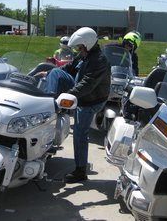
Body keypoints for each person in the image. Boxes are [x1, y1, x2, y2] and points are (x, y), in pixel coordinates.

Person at [35, 27, 111, 183]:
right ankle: (48, 102)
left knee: (79, 133)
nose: (78, 50)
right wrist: (48, 73)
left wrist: (66, 96)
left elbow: (86, 85)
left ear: (87, 45)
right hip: (82, 91)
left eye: (80, 47)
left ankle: (80, 171)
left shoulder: (99, 61)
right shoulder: (84, 54)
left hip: (91, 100)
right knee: (54, 72)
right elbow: (69, 68)